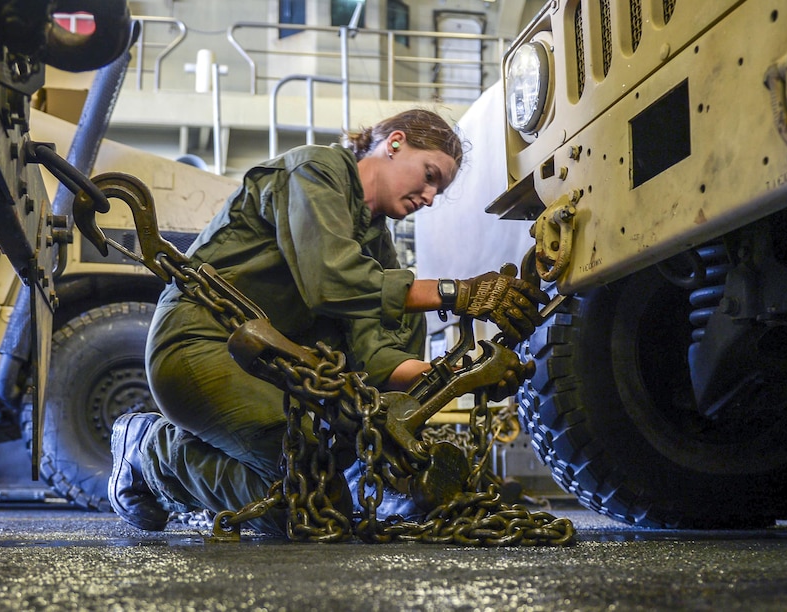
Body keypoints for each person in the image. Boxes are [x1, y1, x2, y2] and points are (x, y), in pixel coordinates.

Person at [108, 108, 548, 534]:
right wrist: (456, 292)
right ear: (395, 143)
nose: (429, 198)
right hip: (201, 347)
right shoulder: (314, 171)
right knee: (308, 483)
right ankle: (151, 450)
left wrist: (461, 375)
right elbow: (331, 281)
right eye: (430, 175)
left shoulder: (377, 249)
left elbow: (377, 360)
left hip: (271, 372)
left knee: (316, 506)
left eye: (438, 190)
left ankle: (192, 455)